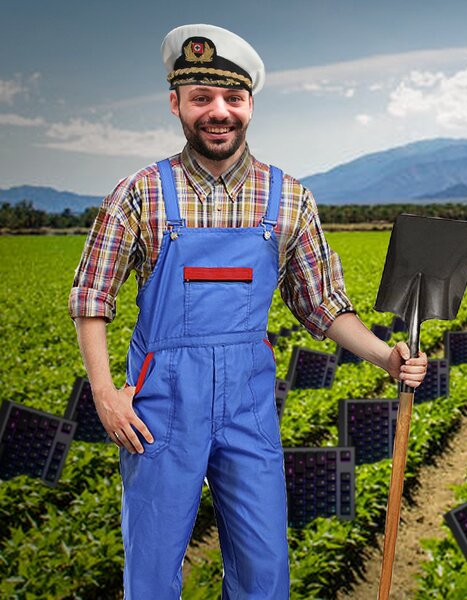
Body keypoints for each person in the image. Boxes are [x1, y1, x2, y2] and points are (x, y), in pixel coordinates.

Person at [68, 23, 426, 598]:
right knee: (153, 571)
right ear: (176, 104)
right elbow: (92, 297)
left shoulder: (290, 198)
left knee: (264, 570)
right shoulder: (140, 193)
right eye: (201, 98)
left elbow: (321, 304)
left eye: (232, 99)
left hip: (248, 405)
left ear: (250, 105)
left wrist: (388, 357)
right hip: (160, 404)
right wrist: (106, 394)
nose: (218, 112)